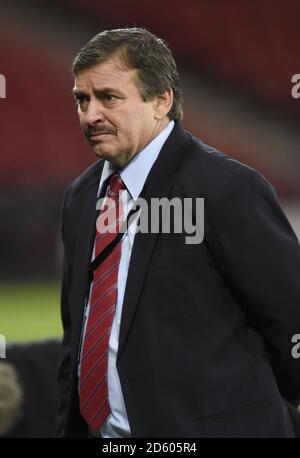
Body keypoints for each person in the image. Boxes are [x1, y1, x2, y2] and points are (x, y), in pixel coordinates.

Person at [57, 27, 300, 438]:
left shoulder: (227, 188)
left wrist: (245, 413)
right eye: (82, 99)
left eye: (108, 97)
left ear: (160, 100)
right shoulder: (81, 197)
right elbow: (76, 341)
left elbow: (290, 321)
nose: (90, 114)